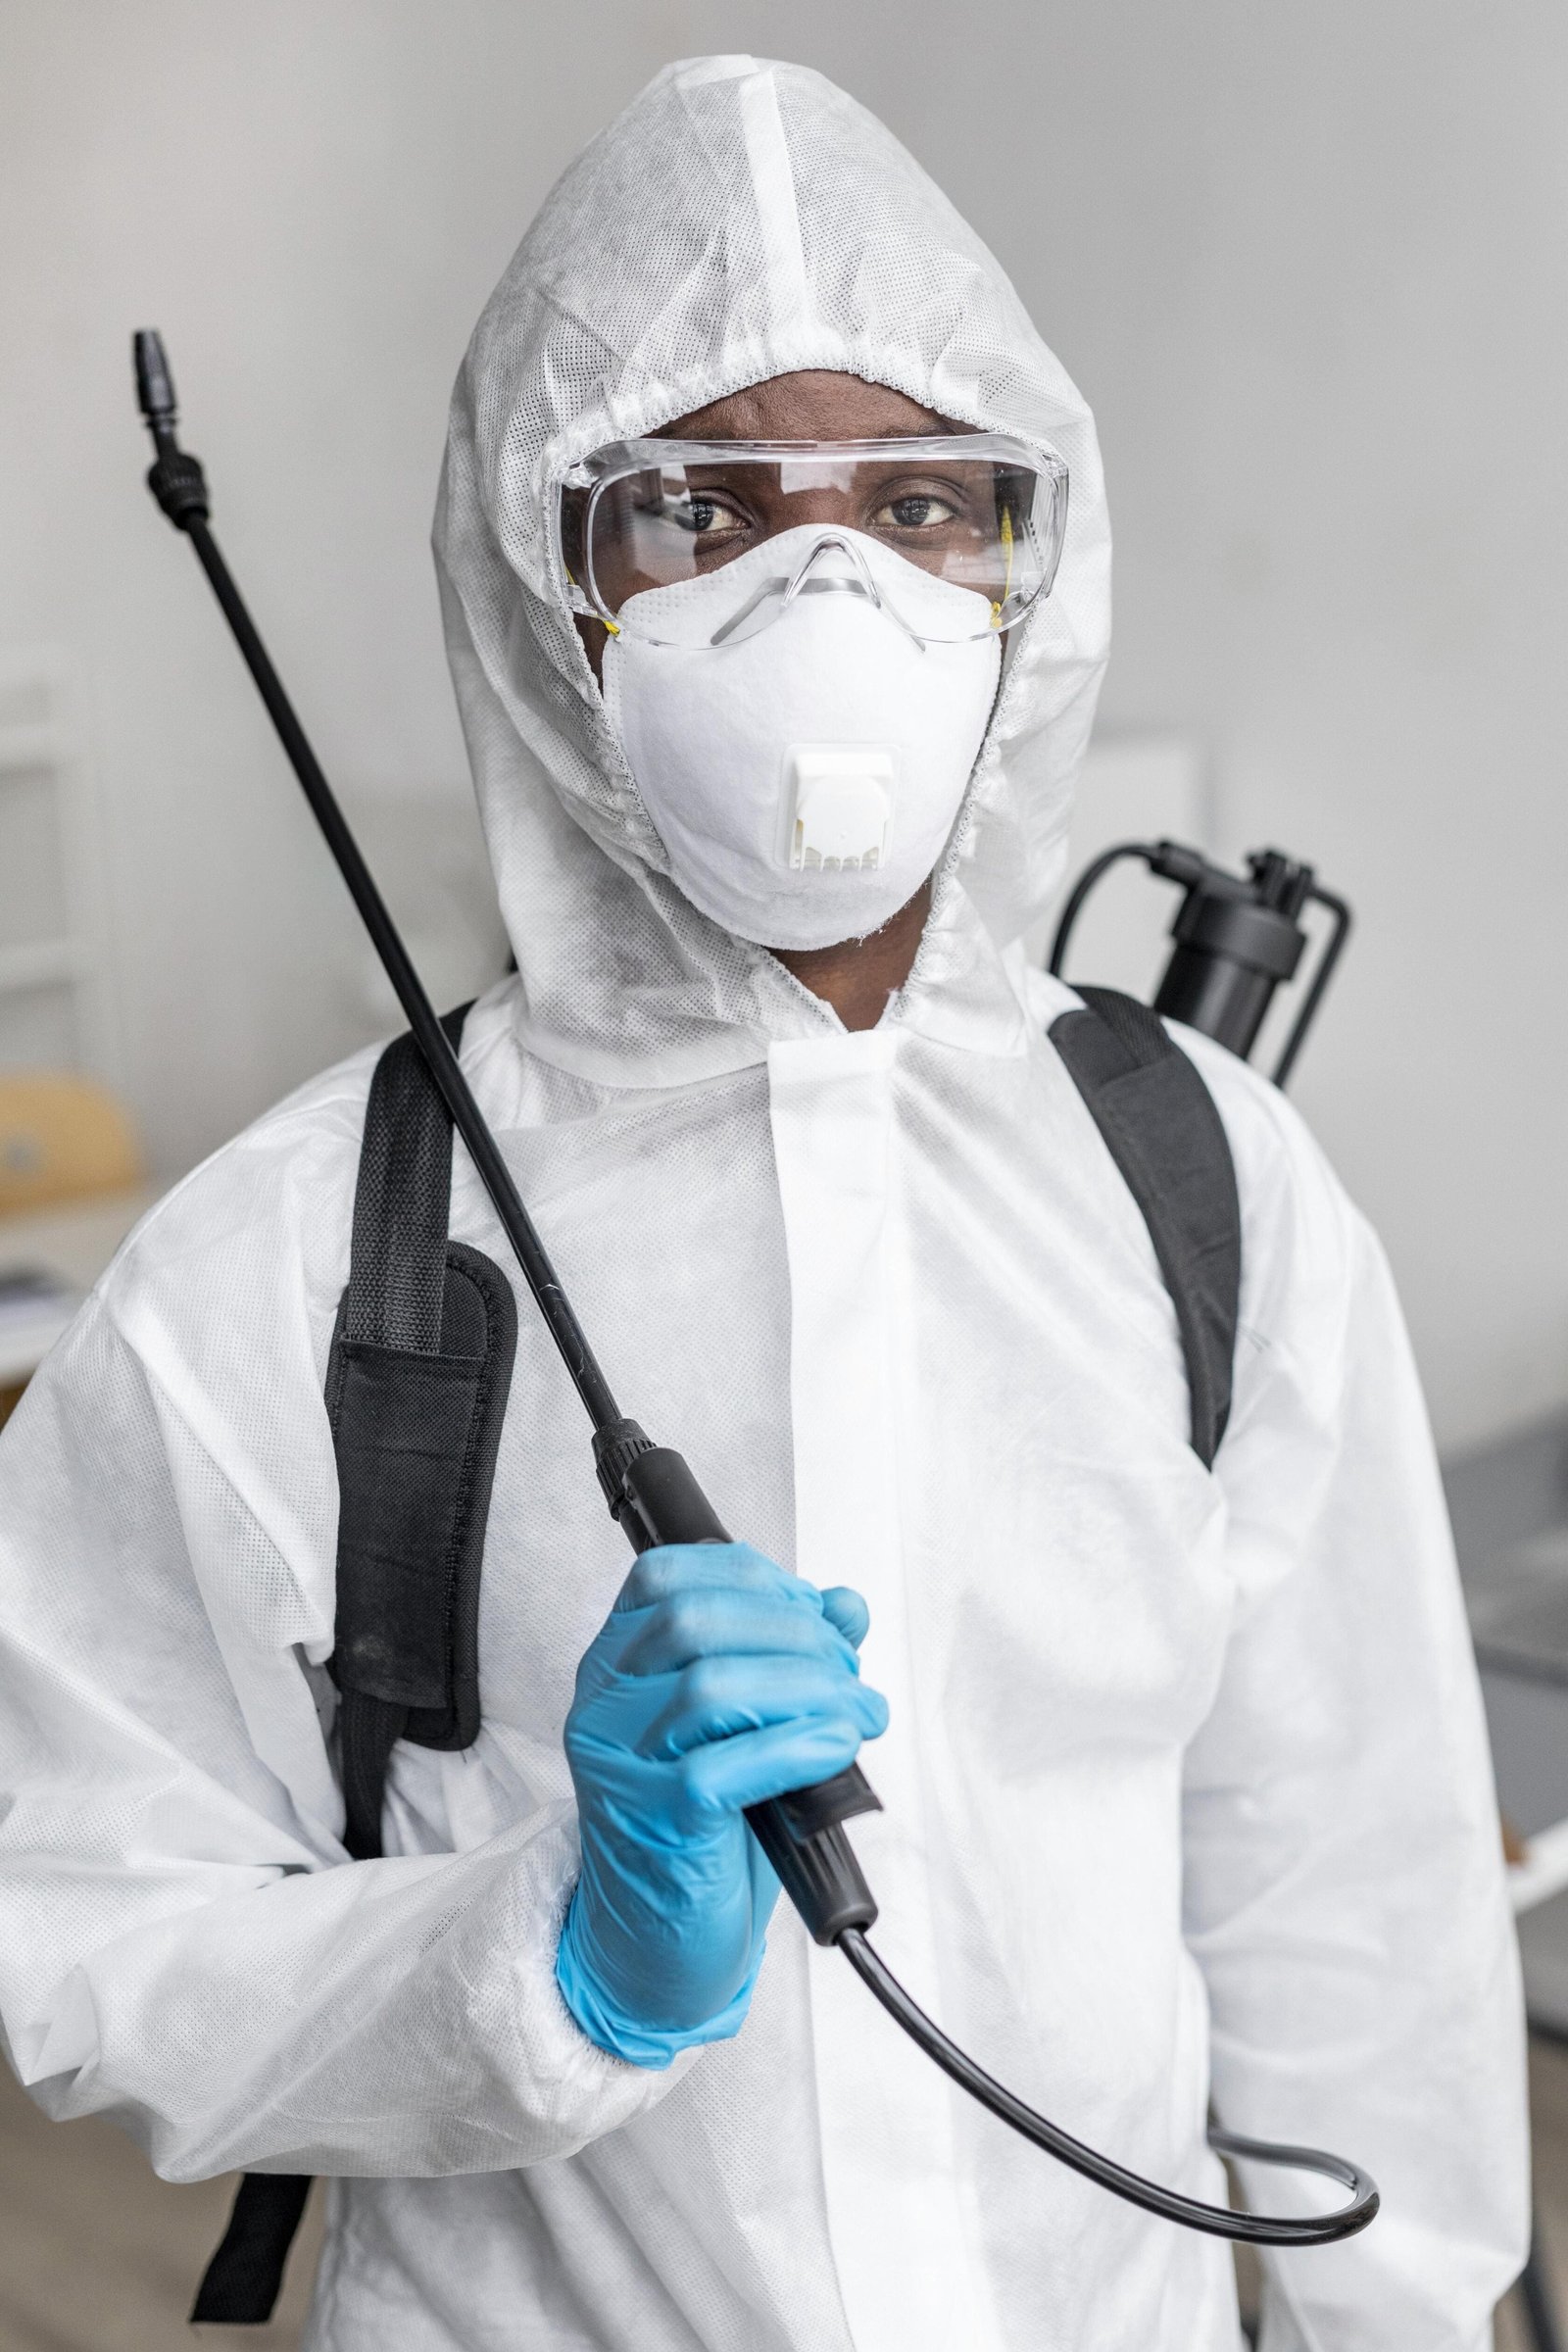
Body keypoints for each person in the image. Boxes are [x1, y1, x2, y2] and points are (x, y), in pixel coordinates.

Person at [0, 53, 1528, 2352]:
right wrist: (552, 1955)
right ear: (541, 579)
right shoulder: (298, 1258)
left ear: (1026, 564)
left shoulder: (1199, 1183)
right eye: (693, 509)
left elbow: (1343, 1896)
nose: (826, 591)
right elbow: (83, 1925)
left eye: (917, 505)